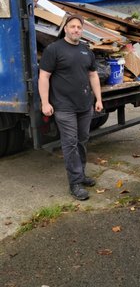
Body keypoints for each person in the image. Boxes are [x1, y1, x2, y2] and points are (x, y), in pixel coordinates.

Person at [38, 14, 103, 200]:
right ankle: (74, 183)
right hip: (64, 107)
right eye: (72, 26)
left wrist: (98, 99)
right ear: (65, 28)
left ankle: (81, 174)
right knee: (70, 143)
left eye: (79, 27)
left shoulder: (86, 51)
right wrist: (45, 102)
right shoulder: (54, 49)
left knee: (82, 140)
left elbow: (93, 76)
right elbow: (44, 76)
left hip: (85, 105)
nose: (76, 30)